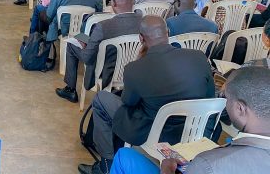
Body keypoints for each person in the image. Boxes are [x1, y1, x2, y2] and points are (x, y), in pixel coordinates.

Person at [81, 16, 214, 174]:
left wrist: (140, 65)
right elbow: (210, 96)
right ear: (168, 32)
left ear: (141, 38)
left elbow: (128, 103)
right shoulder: (199, 57)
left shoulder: (134, 68)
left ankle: (105, 164)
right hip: (194, 131)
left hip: (154, 133)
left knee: (101, 99)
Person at [110, 66, 270, 174]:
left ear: (240, 108)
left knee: (124, 156)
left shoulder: (208, 164)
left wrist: (167, 170)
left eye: (225, 97)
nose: (224, 102)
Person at [56, 0, 142, 103]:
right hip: (133, 71)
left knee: (72, 44)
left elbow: (87, 58)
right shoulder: (144, 23)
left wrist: (86, 46)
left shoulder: (103, 26)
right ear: (133, 2)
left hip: (106, 71)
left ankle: (70, 89)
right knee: (85, 39)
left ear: (113, 3)